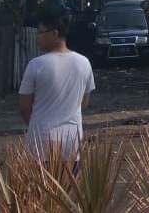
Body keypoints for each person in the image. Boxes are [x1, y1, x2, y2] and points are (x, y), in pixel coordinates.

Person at [19, 10, 95, 165]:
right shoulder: (84, 62)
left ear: (54, 33)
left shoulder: (36, 65)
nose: (37, 38)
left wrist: (35, 124)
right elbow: (84, 103)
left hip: (41, 143)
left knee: (39, 189)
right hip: (72, 144)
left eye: (40, 33)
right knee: (69, 188)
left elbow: (24, 107)